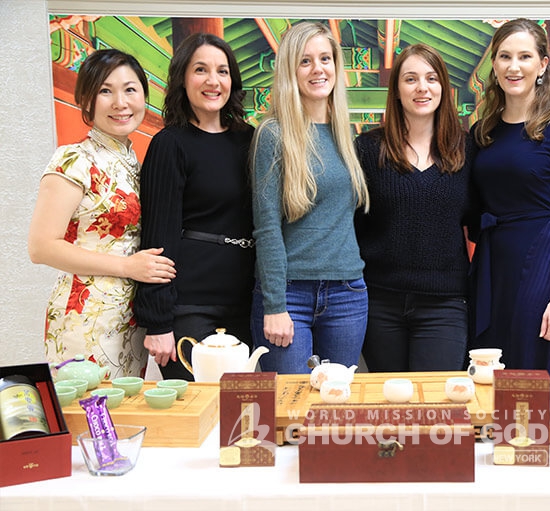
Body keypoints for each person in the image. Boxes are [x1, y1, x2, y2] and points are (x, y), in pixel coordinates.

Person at [28, 49, 176, 378]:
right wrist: (127, 266)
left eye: (130, 89)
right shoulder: (74, 159)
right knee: (92, 419)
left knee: (121, 419)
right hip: (86, 314)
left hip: (128, 317)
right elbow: (41, 246)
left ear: (144, 95)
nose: (120, 103)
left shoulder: (134, 163)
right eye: (105, 91)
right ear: (87, 100)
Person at [469, 19, 550, 381]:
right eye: (504, 56)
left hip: (543, 261)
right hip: (493, 265)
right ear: (494, 64)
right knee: (489, 369)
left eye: (524, 56)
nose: (513, 66)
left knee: (533, 369)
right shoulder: (482, 132)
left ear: (542, 64)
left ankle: (536, 438)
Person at [134, 33, 255, 380]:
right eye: (200, 70)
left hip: (245, 303)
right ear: (183, 79)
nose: (213, 81)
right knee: (199, 415)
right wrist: (157, 320)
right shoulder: (170, 144)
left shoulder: (250, 139)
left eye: (222, 71)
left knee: (241, 417)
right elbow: (157, 234)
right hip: (190, 303)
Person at [250, 22, 370, 374]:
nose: (318, 69)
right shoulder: (273, 134)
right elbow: (267, 227)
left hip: (348, 293)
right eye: (305, 61)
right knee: (292, 412)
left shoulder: (345, 134)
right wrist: (274, 304)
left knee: (335, 410)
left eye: (325, 59)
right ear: (290, 71)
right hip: (289, 295)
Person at [354, 44, 475, 372]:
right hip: (380, 301)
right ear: (396, 91)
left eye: (431, 78)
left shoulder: (467, 150)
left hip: (445, 304)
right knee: (391, 406)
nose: (422, 87)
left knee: (436, 408)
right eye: (411, 79)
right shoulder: (367, 149)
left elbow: (478, 222)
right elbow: (352, 225)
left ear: (443, 88)